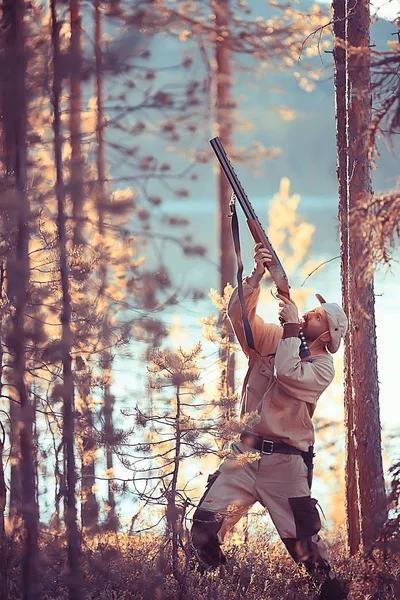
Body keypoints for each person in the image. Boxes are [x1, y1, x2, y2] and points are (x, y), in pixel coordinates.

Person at [191, 243, 349, 600]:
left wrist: (292, 326)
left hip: (286, 464)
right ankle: (229, 587)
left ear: (327, 336)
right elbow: (239, 319)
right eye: (308, 312)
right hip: (244, 456)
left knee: (306, 553)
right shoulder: (276, 337)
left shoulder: (323, 367)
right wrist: (255, 278)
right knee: (203, 530)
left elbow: (287, 371)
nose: (308, 314)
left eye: (317, 317)